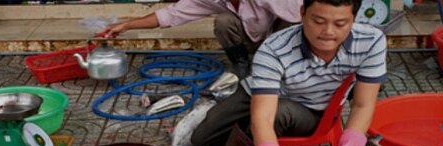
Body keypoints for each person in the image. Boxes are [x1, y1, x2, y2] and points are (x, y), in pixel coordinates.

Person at [190, 0, 386, 146]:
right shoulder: (274, 48)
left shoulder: (372, 40)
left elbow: (363, 105)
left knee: (278, 114)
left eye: (340, 24)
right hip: (258, 92)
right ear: (302, 13)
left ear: (354, 19)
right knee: (202, 139)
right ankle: (244, 139)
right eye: (318, 21)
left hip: (309, 108)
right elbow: (262, 115)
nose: (328, 32)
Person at [101, 0, 302, 78]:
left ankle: (286, 66)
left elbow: (306, 15)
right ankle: (241, 65)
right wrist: (125, 25)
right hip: (252, 39)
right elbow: (170, 15)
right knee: (224, 21)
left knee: (295, 25)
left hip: (278, 37)